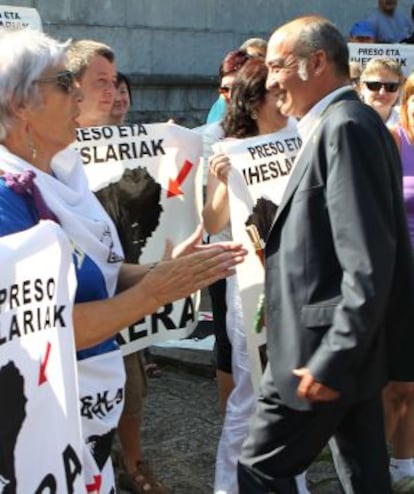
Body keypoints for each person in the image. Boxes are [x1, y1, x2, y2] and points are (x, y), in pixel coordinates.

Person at [0, 28, 246, 493]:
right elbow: (46, 327)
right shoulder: (7, 198)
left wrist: (166, 272)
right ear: (19, 104)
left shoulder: (62, 176)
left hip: (86, 420)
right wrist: (156, 291)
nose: (78, 96)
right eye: (62, 84)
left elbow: (99, 274)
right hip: (42, 428)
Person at [237, 15, 414, 493]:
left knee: (258, 468)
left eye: (277, 66)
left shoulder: (344, 128)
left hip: (321, 351)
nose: (270, 80)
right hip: (342, 346)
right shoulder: (348, 122)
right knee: (364, 474)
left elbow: (368, 257)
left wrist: (334, 357)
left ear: (316, 62)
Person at [67, 45, 170, 493]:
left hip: (114, 296)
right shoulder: (33, 172)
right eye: (102, 84)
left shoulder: (117, 147)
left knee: (129, 390)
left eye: (117, 84)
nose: (114, 94)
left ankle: (127, 464)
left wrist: (156, 274)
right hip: (74, 337)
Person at [203, 58, 308, 494]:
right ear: (253, 99)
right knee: (250, 392)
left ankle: (292, 480)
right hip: (251, 287)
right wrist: (224, 181)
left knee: (294, 389)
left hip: (300, 284)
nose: (283, 98)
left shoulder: (300, 137)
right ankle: (230, 485)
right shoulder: (227, 148)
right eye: (273, 91)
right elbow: (212, 222)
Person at [203, 49, 251, 414]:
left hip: (264, 254)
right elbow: (210, 219)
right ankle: (230, 413)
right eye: (223, 89)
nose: (231, 96)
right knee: (228, 340)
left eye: (240, 88)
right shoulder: (210, 138)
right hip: (225, 255)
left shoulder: (282, 133)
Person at [387, 72, 414, 492]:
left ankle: (406, 466)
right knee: (399, 382)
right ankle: (384, 461)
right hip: (400, 275)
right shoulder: (392, 140)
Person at [359, 57, 404, 127]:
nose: (382, 92)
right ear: (362, 88)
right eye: (374, 85)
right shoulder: (348, 120)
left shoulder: (408, 122)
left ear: (399, 90)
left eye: (391, 86)